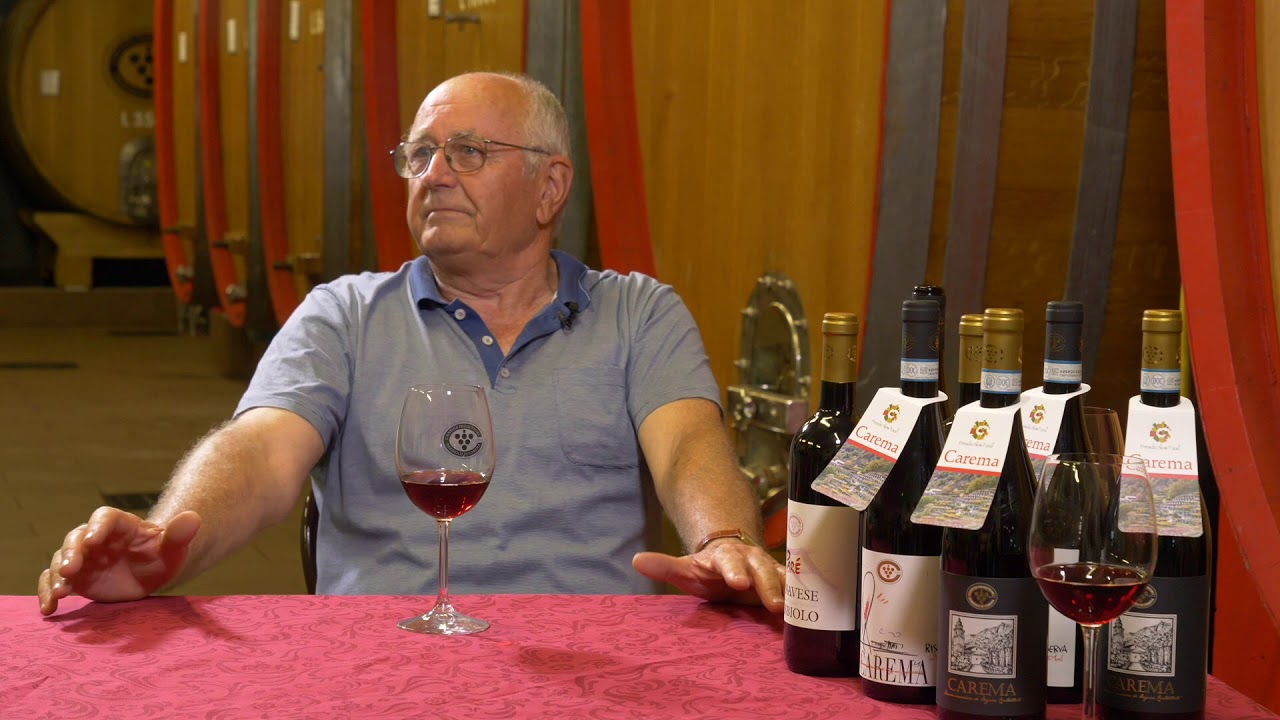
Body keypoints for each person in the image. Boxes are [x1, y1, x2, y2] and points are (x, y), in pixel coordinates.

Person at [38, 71, 784, 616]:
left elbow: (688, 444)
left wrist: (722, 538)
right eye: (419, 154)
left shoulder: (638, 313)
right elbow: (259, 453)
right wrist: (166, 542)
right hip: (388, 657)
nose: (434, 175)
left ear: (550, 187)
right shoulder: (345, 314)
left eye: (468, 152)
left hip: (592, 660)